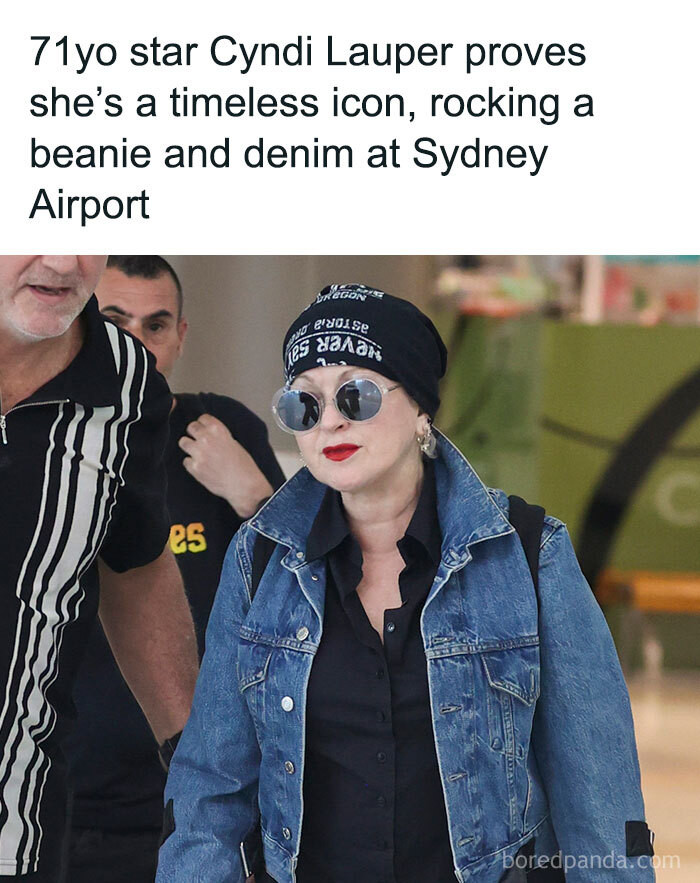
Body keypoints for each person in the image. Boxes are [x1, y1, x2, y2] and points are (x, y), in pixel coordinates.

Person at [157, 283, 655, 883]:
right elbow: (211, 788)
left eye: (356, 395)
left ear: (420, 407)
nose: (330, 421)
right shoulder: (260, 560)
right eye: (304, 404)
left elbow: (601, 797)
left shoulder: (527, 552)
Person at [66, 256, 286, 883]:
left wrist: (253, 495)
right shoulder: (41, 442)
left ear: (181, 336)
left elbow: (308, 592)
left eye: (156, 325)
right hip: (60, 792)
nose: (138, 345)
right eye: (115, 322)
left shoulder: (221, 431)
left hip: (196, 802)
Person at [0, 256, 198, 882]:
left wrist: (197, 769)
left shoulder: (127, 382)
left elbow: (135, 565)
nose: (62, 261)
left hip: (19, 827)